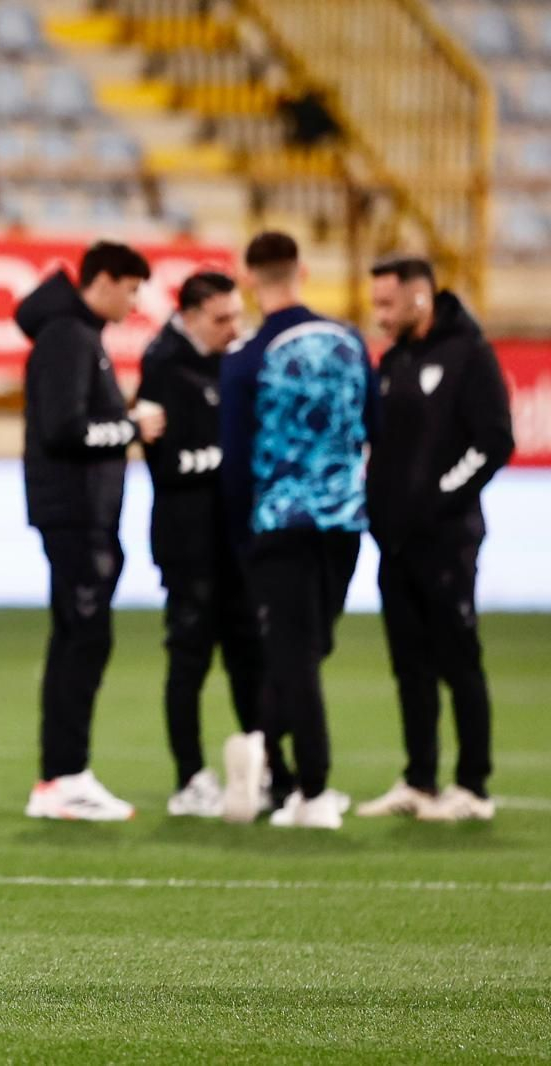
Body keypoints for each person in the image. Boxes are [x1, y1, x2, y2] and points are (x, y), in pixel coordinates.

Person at [218, 231, 378, 830]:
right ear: (303, 271)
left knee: (297, 657)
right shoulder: (350, 343)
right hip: (343, 522)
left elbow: (236, 461)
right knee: (310, 651)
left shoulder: (246, 359)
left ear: (250, 278)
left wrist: (242, 538)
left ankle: (302, 785)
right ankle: (285, 772)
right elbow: (373, 429)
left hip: (278, 524)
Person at [358, 256, 514, 822]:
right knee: (409, 665)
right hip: (394, 543)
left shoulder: (469, 354)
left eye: (386, 303)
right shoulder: (393, 359)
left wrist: (435, 501)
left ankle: (472, 786)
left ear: (421, 298)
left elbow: (494, 441)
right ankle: (419, 780)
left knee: (458, 661)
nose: (379, 313)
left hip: (447, 542)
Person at [16, 241, 164, 821]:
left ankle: (64, 775)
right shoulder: (69, 336)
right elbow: (64, 430)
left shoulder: (76, 335)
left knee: (82, 639)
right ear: (103, 280)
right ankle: (62, 777)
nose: (134, 302)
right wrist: (130, 425)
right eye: (130, 288)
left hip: (82, 515)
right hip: (75, 514)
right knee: (82, 640)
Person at [137, 271, 270, 818]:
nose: (233, 328)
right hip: (188, 542)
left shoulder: (233, 359)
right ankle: (190, 776)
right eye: (222, 319)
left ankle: (263, 770)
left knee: (248, 658)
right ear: (190, 316)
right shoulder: (164, 363)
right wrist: (236, 463)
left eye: (237, 316)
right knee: (189, 660)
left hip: (235, 540)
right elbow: (170, 463)